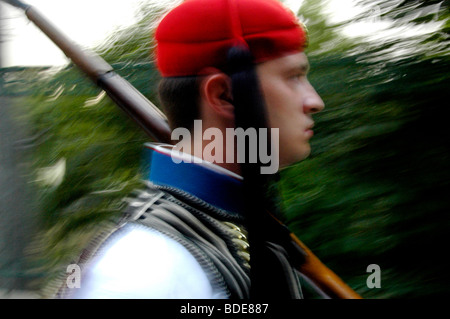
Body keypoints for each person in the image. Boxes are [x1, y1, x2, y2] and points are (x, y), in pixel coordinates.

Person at [49, 0, 325, 299]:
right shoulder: (149, 270)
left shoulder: (235, 225)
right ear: (224, 95)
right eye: (294, 77)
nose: (314, 101)